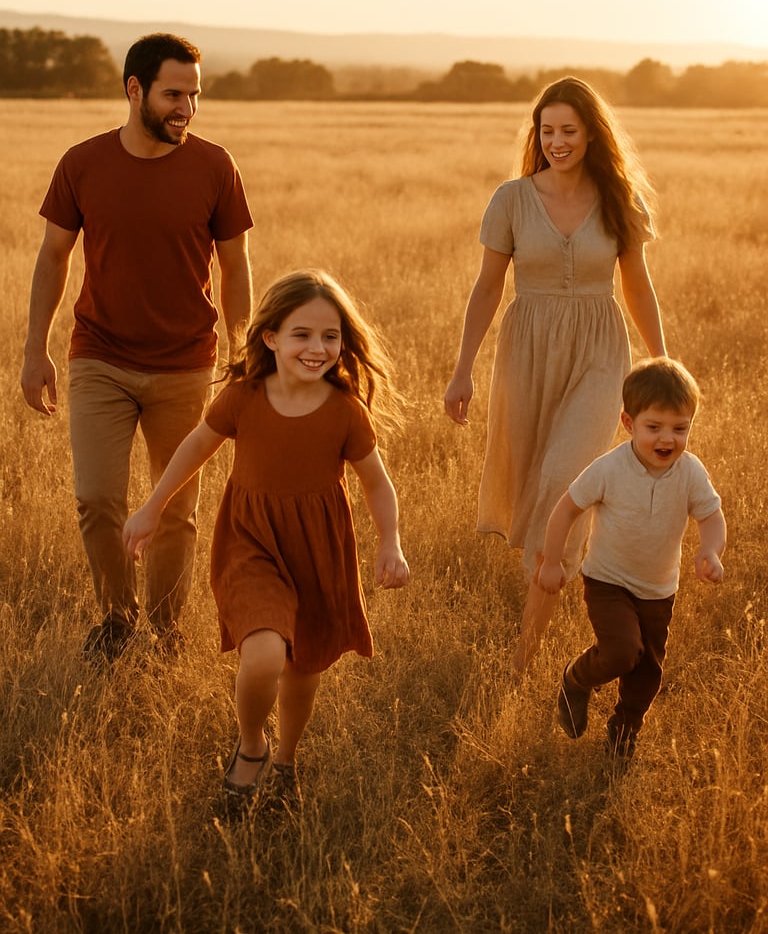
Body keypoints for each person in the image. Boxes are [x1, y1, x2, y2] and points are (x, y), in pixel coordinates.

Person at [122, 269, 409, 808]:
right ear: (271, 337)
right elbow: (196, 447)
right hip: (250, 542)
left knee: (303, 673)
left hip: (319, 551)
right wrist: (152, 507)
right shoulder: (244, 397)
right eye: (302, 334)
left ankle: (285, 762)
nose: (317, 347)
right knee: (263, 655)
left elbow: (377, 483)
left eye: (330, 336)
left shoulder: (345, 411)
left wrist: (389, 543)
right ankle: (252, 745)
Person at [20, 33, 254, 661]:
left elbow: (236, 268)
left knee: (174, 509)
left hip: (186, 364)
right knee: (97, 499)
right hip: (99, 357)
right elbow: (52, 257)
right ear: (134, 90)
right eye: (174, 94)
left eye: (194, 96)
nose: (187, 108)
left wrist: (241, 356)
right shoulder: (83, 163)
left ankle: (167, 631)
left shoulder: (215, 166)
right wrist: (34, 349)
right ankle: (119, 624)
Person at [444, 77, 667, 674]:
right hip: (527, 353)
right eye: (548, 131)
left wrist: (660, 361)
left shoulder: (619, 199)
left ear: (591, 133)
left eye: (569, 130)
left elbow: (636, 284)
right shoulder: (511, 199)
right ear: (536, 135)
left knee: (562, 478)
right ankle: (569, 574)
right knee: (533, 476)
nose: (558, 141)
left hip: (600, 350)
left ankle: (524, 654)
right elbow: (488, 286)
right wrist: (462, 368)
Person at [536, 357, 725, 761]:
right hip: (608, 581)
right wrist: (552, 561)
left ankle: (622, 733)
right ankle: (577, 678)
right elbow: (566, 508)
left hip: (658, 590)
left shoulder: (690, 472)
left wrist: (710, 549)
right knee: (623, 651)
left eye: (680, 428)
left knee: (647, 672)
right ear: (628, 422)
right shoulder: (610, 468)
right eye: (653, 427)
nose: (667, 439)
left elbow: (710, 516)